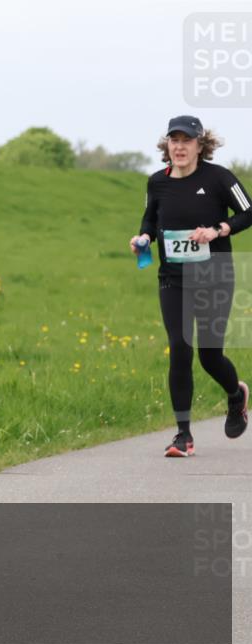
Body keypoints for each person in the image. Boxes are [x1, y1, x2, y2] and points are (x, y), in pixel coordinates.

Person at [130, 115, 252, 457]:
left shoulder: (218, 177)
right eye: (174, 140)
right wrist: (144, 237)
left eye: (187, 140)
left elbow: (248, 211)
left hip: (215, 276)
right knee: (179, 349)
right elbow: (150, 219)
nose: (180, 147)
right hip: (173, 279)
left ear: (201, 145)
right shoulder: (157, 182)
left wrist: (218, 231)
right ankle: (183, 435)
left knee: (210, 356)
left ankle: (235, 395)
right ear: (167, 145)